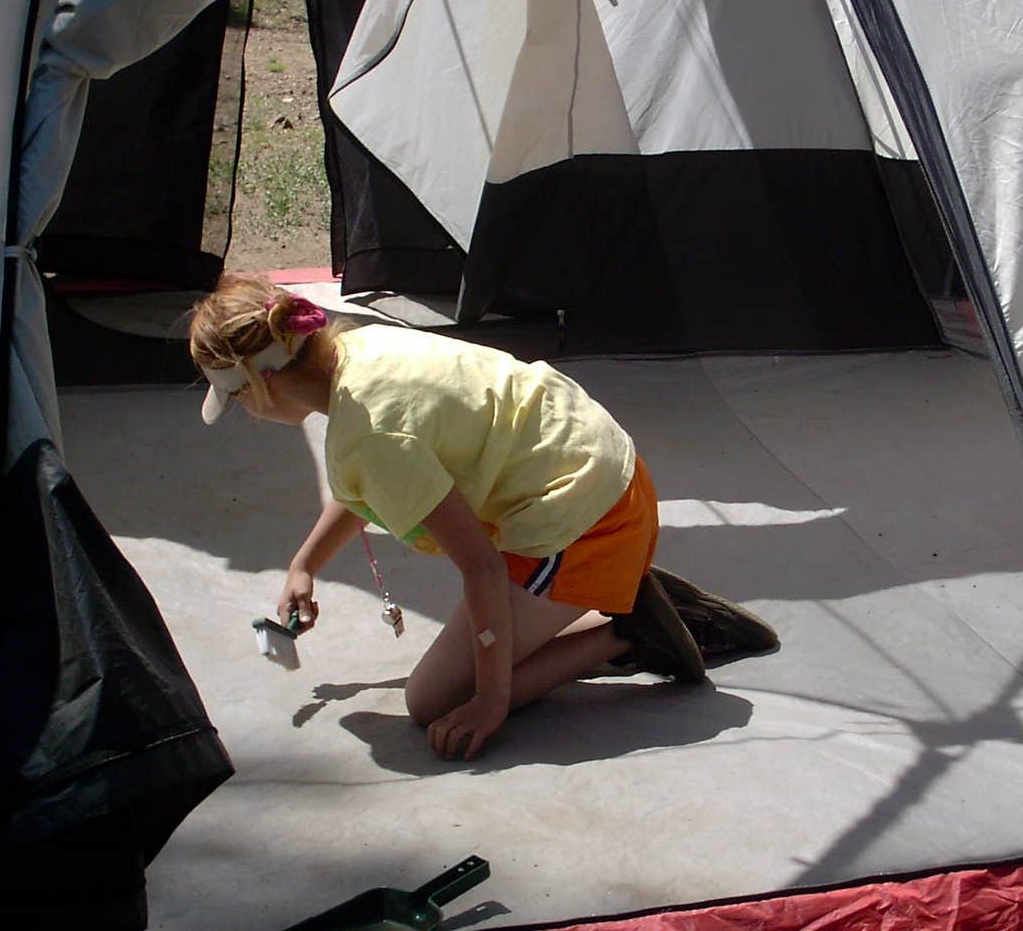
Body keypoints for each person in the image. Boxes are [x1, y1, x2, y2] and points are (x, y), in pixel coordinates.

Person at [188, 275, 775, 761]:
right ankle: (609, 592)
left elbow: (483, 570)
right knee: (463, 670)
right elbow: (373, 483)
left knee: (433, 701)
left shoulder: (370, 434)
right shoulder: (358, 353)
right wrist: (304, 563)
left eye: (236, 399)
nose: (241, 413)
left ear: (262, 385)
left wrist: (492, 701)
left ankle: (627, 629)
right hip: (605, 474)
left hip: (590, 523)